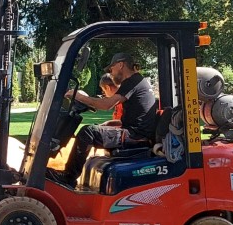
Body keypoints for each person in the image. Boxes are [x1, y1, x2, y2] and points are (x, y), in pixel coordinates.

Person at [60, 52, 160, 184]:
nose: (111, 73)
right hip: (135, 133)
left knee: (88, 132)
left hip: (135, 136)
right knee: (94, 129)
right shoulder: (136, 81)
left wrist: (78, 96)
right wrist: (108, 124)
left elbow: (106, 104)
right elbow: (134, 119)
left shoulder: (132, 82)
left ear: (120, 65)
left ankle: (67, 178)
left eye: (111, 69)